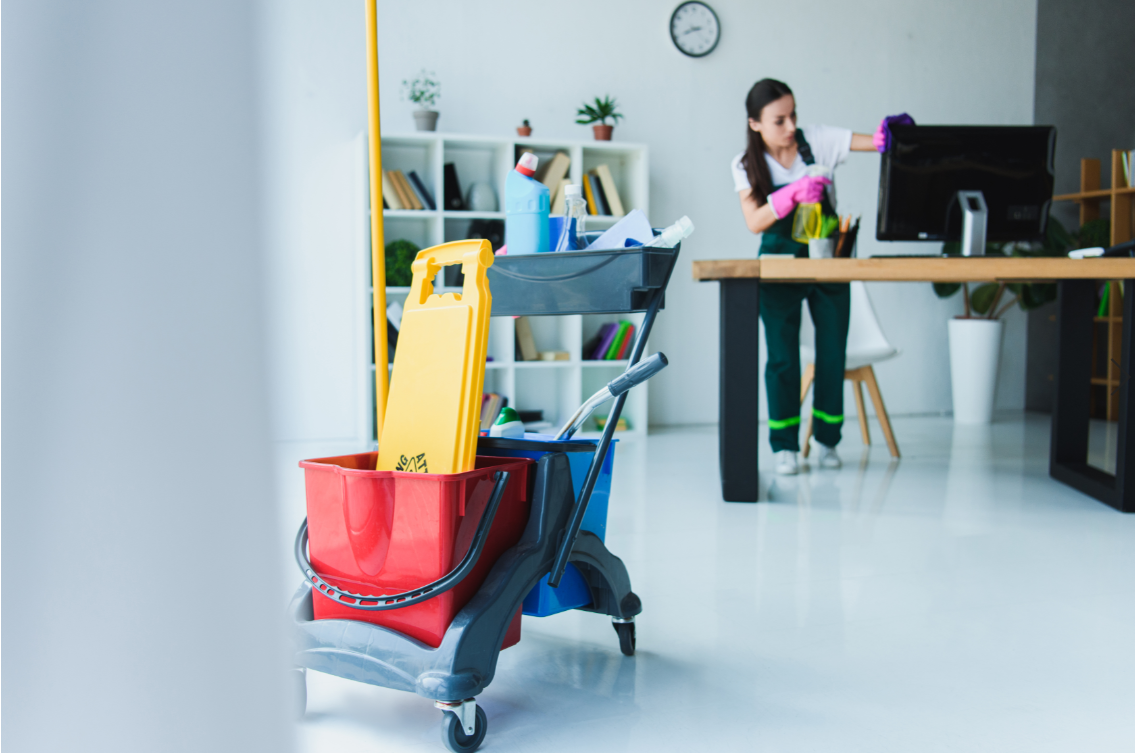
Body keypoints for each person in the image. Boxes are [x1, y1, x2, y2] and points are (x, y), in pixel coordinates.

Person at [731, 78, 897, 475]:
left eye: (793, 116)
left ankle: (826, 440)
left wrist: (890, 135)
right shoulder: (745, 164)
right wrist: (789, 195)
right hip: (778, 263)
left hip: (827, 259)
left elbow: (873, 143)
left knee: (832, 352)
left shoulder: (817, 142)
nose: (790, 128)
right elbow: (755, 221)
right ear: (755, 123)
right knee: (783, 357)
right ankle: (784, 445)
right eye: (779, 120)